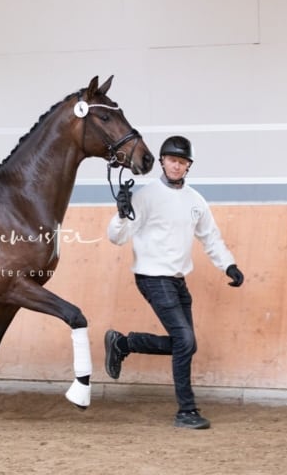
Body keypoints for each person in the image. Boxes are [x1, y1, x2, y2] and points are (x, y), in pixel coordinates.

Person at [104, 135, 244, 430]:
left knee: (186, 345)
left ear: (188, 166)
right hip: (153, 277)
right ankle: (186, 411)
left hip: (178, 280)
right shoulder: (145, 195)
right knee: (185, 341)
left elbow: (210, 237)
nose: (176, 166)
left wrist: (228, 264)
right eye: (171, 160)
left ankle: (124, 343)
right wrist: (120, 214)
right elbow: (117, 237)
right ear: (162, 162)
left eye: (182, 162)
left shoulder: (196, 200)